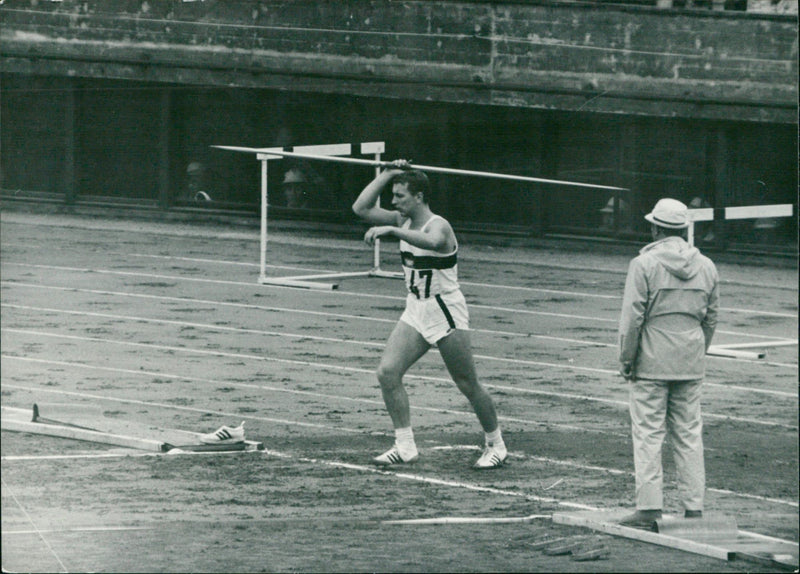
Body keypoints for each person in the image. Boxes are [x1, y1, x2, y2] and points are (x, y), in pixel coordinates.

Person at [351, 160, 507, 470]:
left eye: (401, 196)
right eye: (393, 196)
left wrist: (393, 230)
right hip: (416, 307)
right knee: (388, 373)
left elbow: (435, 243)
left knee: (466, 382)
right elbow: (361, 208)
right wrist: (388, 174)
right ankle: (405, 445)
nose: (394, 202)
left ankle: (496, 444)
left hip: (445, 309)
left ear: (419, 197)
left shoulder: (438, 225)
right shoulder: (401, 219)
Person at [617, 198, 719, 528]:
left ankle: (649, 507)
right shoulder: (707, 266)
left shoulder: (643, 264)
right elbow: (711, 319)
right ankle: (694, 508)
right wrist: (697, 350)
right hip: (689, 358)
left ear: (656, 228)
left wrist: (627, 357)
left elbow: (632, 318)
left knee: (648, 432)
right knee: (689, 434)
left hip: (651, 357)